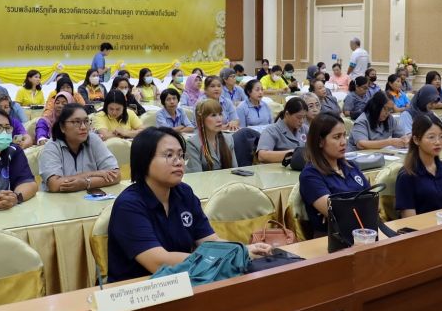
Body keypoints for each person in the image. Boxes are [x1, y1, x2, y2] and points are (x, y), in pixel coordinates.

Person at [107, 127, 271, 282]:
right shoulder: (129, 205)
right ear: (144, 160)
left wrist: (244, 249)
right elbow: (157, 262)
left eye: (180, 155)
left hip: (182, 282)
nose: (178, 162)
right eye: (169, 155)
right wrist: (231, 255)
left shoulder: (183, 193)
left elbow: (209, 241)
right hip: (137, 292)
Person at [299, 113, 370, 237]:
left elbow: (372, 202)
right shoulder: (310, 175)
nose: (344, 142)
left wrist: (342, 208)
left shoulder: (351, 166)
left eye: (344, 135)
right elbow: (337, 213)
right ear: (320, 141)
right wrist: (341, 211)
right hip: (331, 239)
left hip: (363, 233)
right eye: (337, 137)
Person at [39, 103, 120, 192]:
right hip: (57, 202)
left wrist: (85, 183)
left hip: (88, 201)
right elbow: (55, 185)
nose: (83, 127)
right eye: (76, 122)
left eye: (86, 121)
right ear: (62, 127)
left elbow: (115, 175)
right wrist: (93, 174)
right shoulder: (52, 147)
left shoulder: (93, 139)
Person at [395, 114, 442, 217]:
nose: (438, 142)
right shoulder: (407, 175)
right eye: (431, 137)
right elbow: (409, 222)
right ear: (416, 140)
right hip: (421, 231)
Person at [186, 99, 237, 173]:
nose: (219, 119)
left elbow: (235, 171)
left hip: (228, 183)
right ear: (201, 119)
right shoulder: (192, 144)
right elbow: (196, 177)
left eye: (220, 114)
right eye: (213, 115)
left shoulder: (228, 139)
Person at [257, 97, 309, 163]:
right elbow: (262, 156)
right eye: (298, 117)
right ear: (287, 114)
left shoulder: (305, 129)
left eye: (304, 117)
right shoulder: (271, 130)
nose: (302, 121)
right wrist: (294, 154)